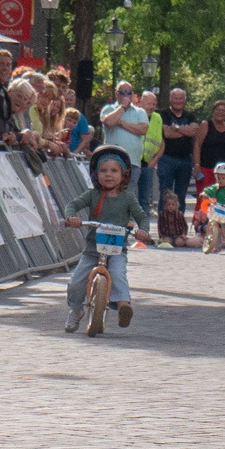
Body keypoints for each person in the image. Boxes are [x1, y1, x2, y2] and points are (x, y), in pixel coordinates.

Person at [60, 145, 152, 332]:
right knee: (77, 282)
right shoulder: (93, 195)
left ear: (124, 175)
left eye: (114, 171)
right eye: (103, 170)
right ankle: (76, 310)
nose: (108, 175)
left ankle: (123, 305)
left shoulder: (127, 197)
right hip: (93, 250)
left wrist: (143, 230)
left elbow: (142, 216)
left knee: (118, 274)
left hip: (116, 250)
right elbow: (73, 204)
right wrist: (72, 217)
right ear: (96, 174)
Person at [99, 80, 150, 198]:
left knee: (127, 197)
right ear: (117, 94)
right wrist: (122, 107)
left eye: (129, 92)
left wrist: (121, 123)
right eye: (122, 92)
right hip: (111, 162)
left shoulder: (140, 112)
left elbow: (143, 129)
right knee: (110, 195)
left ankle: (124, 217)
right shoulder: (109, 109)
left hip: (132, 162)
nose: (126, 95)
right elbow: (109, 122)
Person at [157, 86, 201, 207]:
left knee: (181, 195)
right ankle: (164, 222)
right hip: (167, 159)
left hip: (185, 160)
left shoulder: (190, 115)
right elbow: (166, 133)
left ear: (185, 100)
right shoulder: (164, 114)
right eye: (175, 98)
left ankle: (178, 223)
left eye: (181, 98)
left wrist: (176, 128)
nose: (178, 101)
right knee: (165, 193)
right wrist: (185, 130)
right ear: (170, 100)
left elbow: (194, 132)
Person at [196, 100, 225, 196]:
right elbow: (197, 145)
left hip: (223, 171)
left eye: (223, 110)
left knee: (221, 198)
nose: (220, 112)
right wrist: (197, 165)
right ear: (213, 111)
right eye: (218, 110)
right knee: (204, 197)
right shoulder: (206, 125)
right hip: (206, 168)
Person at [138, 90, 165, 217]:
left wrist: (155, 160)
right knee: (128, 196)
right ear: (141, 102)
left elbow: (161, 142)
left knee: (145, 199)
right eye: (149, 103)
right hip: (133, 161)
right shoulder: (134, 114)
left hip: (148, 163)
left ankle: (144, 230)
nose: (151, 107)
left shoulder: (157, 118)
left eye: (154, 104)